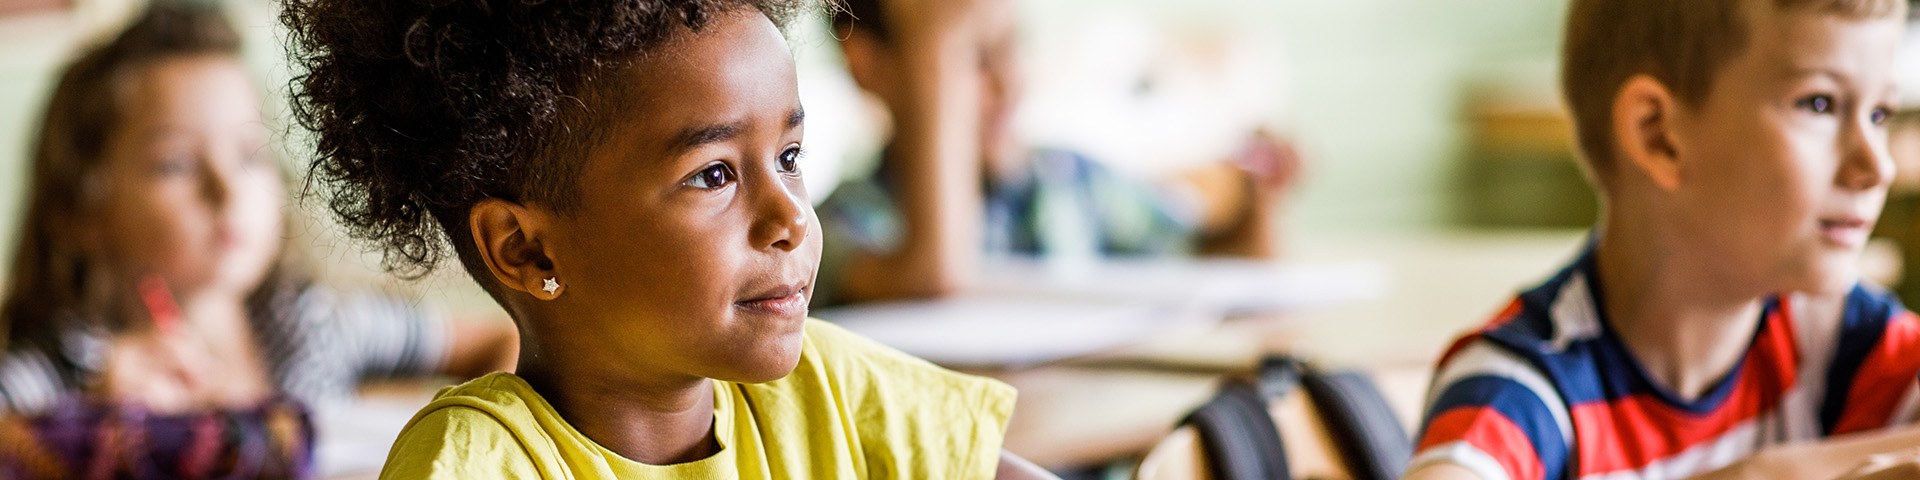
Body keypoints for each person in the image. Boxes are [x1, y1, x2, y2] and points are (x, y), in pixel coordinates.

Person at [280, 0, 1053, 477]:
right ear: (527, 251)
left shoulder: (832, 392)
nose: (792, 218)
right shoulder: (481, 465)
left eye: (789, 158)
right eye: (714, 175)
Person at [1406, 1, 1920, 479]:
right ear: (1659, 136)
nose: (1877, 166)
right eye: (1819, 104)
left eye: (1879, 114)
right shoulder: (1520, 395)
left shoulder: (1837, 339)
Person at [0, 2, 516, 477]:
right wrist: (85, 423)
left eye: (249, 154)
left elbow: (502, 340)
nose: (227, 191)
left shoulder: (316, 325)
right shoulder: (62, 371)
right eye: (174, 164)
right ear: (78, 211)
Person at [815, 0, 1301, 305]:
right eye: (972, 57)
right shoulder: (838, 226)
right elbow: (933, 276)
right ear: (867, 67)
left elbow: (1225, 253)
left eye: (1014, 45)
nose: (1008, 81)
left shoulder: (1072, 182)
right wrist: (935, 34)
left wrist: (1260, 197)